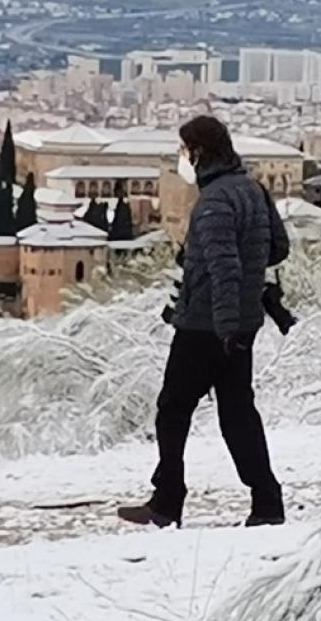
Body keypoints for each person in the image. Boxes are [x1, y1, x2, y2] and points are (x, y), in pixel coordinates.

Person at [118, 116, 290, 529]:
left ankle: (167, 501)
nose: (183, 158)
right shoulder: (253, 190)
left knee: (172, 409)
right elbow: (277, 249)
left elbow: (224, 266)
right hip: (244, 322)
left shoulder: (213, 202)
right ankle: (267, 502)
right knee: (237, 413)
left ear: (198, 152)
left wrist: (224, 323)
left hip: (206, 326)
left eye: (184, 150)